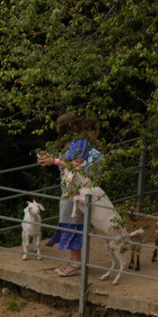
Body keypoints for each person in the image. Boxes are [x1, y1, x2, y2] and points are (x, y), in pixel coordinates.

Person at [36, 115, 106, 278]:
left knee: (74, 224)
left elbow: (76, 165)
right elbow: (65, 160)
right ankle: (75, 262)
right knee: (70, 223)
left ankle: (77, 264)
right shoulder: (71, 142)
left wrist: (53, 161)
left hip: (77, 190)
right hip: (70, 189)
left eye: (58, 125)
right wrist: (48, 159)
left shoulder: (79, 142)